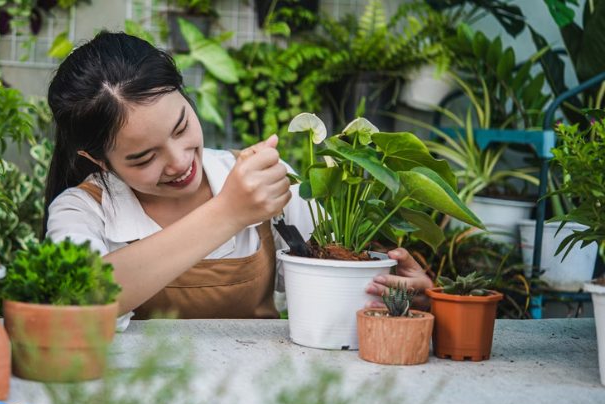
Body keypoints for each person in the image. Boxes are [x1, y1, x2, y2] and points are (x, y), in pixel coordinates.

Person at [44, 31, 432, 329]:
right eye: (144, 157)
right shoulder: (80, 210)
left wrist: (405, 294)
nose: (179, 163)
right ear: (97, 160)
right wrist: (228, 213)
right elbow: (78, 306)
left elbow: (335, 289)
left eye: (181, 128)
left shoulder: (255, 180)